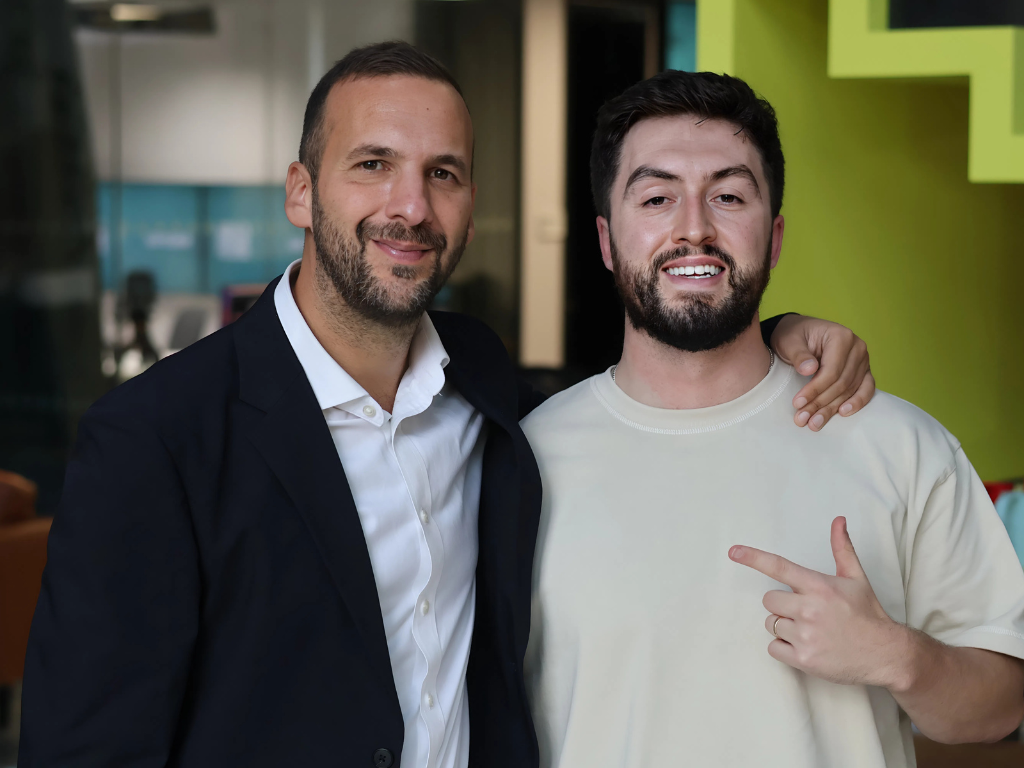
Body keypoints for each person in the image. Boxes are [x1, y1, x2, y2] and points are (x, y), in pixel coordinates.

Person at [20, 44, 874, 768]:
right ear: (300, 193)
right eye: (372, 165)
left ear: (469, 211)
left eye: (444, 174)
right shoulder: (155, 438)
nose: (411, 207)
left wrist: (779, 333)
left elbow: (656, 377)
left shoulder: (487, 384)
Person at [522, 70, 1024, 768]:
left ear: (775, 236)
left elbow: (1002, 706)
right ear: (607, 241)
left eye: (728, 196)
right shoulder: (527, 462)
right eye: (658, 197)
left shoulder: (900, 445)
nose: (694, 227)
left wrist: (899, 657)